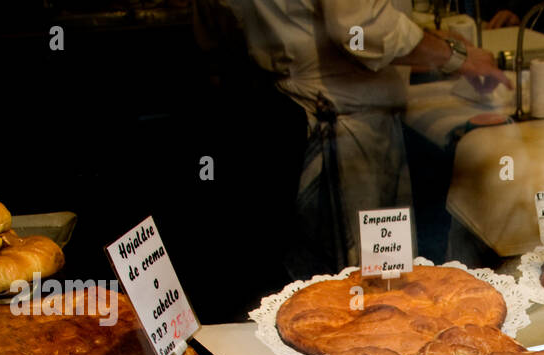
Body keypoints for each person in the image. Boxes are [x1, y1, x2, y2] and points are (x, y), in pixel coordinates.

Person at [218, 0, 511, 277]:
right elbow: (360, 28)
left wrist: (432, 41)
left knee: (371, 278)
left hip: (319, 112)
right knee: (370, 287)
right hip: (342, 130)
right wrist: (455, 56)